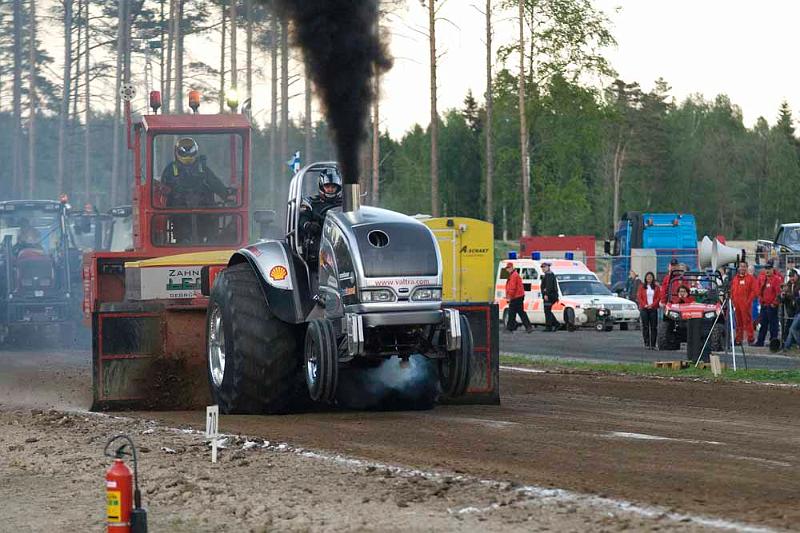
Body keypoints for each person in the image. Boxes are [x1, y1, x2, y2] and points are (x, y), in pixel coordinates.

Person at [161, 138, 232, 208]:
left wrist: (226, 195)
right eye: (184, 153)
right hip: (177, 215)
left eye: (191, 152)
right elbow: (162, 190)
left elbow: (215, 183)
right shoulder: (170, 170)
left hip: (204, 214)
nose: (188, 156)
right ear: (177, 152)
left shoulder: (203, 169)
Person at [299, 168, 344, 262]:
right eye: (327, 186)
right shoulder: (312, 203)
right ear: (321, 186)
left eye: (333, 187)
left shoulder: (346, 203)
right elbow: (303, 219)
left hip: (341, 240)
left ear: (338, 187)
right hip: (319, 241)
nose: (330, 189)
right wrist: (309, 225)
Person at [754, 261, 783, 347]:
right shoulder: (764, 279)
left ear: (772, 269)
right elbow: (760, 290)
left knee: (773, 325)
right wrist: (761, 300)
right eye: (766, 269)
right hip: (764, 305)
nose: (767, 271)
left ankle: (773, 342)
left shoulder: (776, 279)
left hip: (772, 306)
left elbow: (778, 293)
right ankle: (760, 341)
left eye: (769, 269)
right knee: (763, 324)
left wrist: (774, 303)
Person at [730, 260, 757, 345]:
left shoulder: (750, 278)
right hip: (737, 304)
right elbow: (732, 290)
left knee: (748, 322)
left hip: (746, 304)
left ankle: (750, 338)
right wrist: (732, 300)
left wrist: (748, 301)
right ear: (739, 268)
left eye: (744, 266)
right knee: (738, 322)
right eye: (741, 266)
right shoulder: (735, 278)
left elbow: (754, 291)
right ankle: (738, 339)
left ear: (746, 268)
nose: (742, 268)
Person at [503, 262, 532, 333]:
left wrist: (509, 296)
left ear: (512, 268)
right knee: (519, 312)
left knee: (512, 312)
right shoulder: (514, 275)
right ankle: (527, 327)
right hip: (518, 296)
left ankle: (510, 328)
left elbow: (512, 288)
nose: (508, 269)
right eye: (507, 268)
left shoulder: (513, 276)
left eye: (509, 268)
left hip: (516, 297)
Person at [637, 272, 661, 349]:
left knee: (654, 327)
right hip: (644, 309)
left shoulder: (656, 287)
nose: (649, 278)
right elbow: (639, 297)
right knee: (645, 326)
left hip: (653, 309)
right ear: (645, 278)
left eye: (650, 277)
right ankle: (647, 343)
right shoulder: (641, 287)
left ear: (653, 278)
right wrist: (645, 305)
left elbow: (658, 297)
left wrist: (652, 305)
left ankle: (653, 344)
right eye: (648, 277)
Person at [783, 270, 800, 351]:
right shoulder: (789, 284)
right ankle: (786, 346)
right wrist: (783, 295)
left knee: (793, 328)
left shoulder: (798, 284)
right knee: (790, 329)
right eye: (790, 276)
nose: (791, 278)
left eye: (793, 276)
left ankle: (788, 346)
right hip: (793, 311)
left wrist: (788, 295)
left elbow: (796, 297)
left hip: (798, 311)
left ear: (797, 275)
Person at [541, 261, 559, 332]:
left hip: (549, 296)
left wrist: (546, 294)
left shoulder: (549, 275)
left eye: (544, 267)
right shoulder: (549, 274)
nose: (543, 268)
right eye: (542, 267)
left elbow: (548, 286)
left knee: (547, 311)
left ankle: (549, 327)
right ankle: (555, 324)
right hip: (551, 295)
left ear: (548, 267)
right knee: (548, 311)